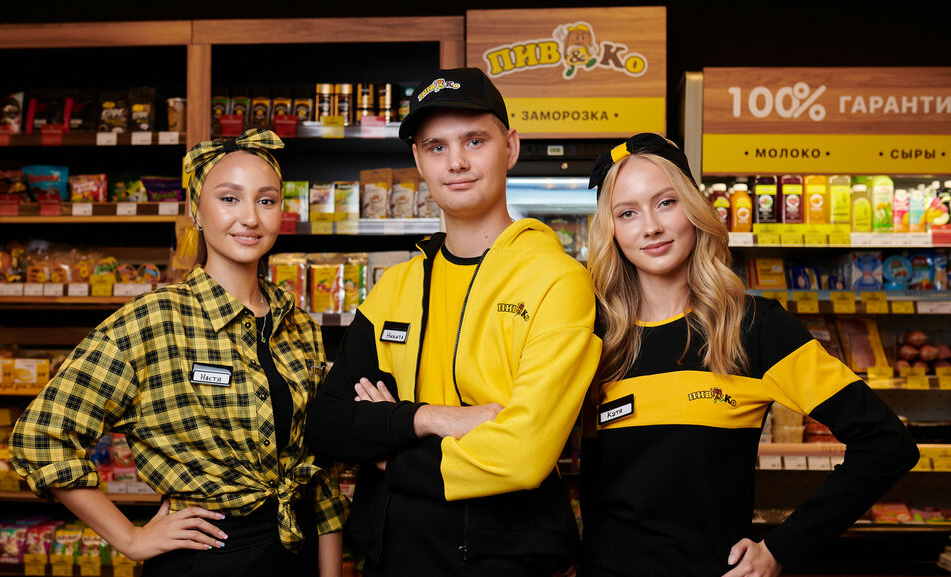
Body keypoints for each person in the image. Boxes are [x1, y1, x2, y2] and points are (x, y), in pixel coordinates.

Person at [10, 128, 348, 577]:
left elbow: (321, 472)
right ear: (197, 211)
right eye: (229, 198)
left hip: (296, 550)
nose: (250, 217)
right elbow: (41, 438)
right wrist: (131, 539)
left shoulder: (299, 325)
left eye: (266, 200)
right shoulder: (153, 320)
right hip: (205, 557)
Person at [579, 133, 919, 577]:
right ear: (611, 231)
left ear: (694, 210)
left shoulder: (754, 328)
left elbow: (887, 444)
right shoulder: (594, 335)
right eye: (627, 213)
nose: (650, 227)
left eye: (666, 203)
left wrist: (781, 548)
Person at [306, 67, 602, 576]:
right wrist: (429, 419)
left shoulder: (558, 281)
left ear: (510, 147)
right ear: (419, 160)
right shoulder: (394, 287)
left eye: (474, 141)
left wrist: (391, 453)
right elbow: (327, 424)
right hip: (392, 558)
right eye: (436, 146)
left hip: (503, 561)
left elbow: (522, 455)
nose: (457, 162)